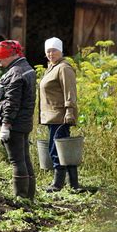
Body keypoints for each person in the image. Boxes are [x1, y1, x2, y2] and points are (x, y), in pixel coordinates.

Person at [0, 40, 37, 200]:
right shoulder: (27, 69)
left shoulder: (15, 73)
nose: (0, 65)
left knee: (17, 161)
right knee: (24, 159)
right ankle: (29, 196)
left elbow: (12, 102)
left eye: (0, 60)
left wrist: (6, 125)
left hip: (15, 124)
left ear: (9, 55)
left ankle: (21, 197)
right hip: (24, 122)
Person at [39, 37, 78, 192]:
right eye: (48, 51)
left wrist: (70, 111)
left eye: (54, 50)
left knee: (57, 148)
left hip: (60, 115)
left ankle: (58, 184)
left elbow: (70, 92)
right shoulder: (51, 67)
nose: (50, 53)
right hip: (51, 116)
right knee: (61, 148)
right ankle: (73, 184)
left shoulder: (64, 68)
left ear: (60, 51)